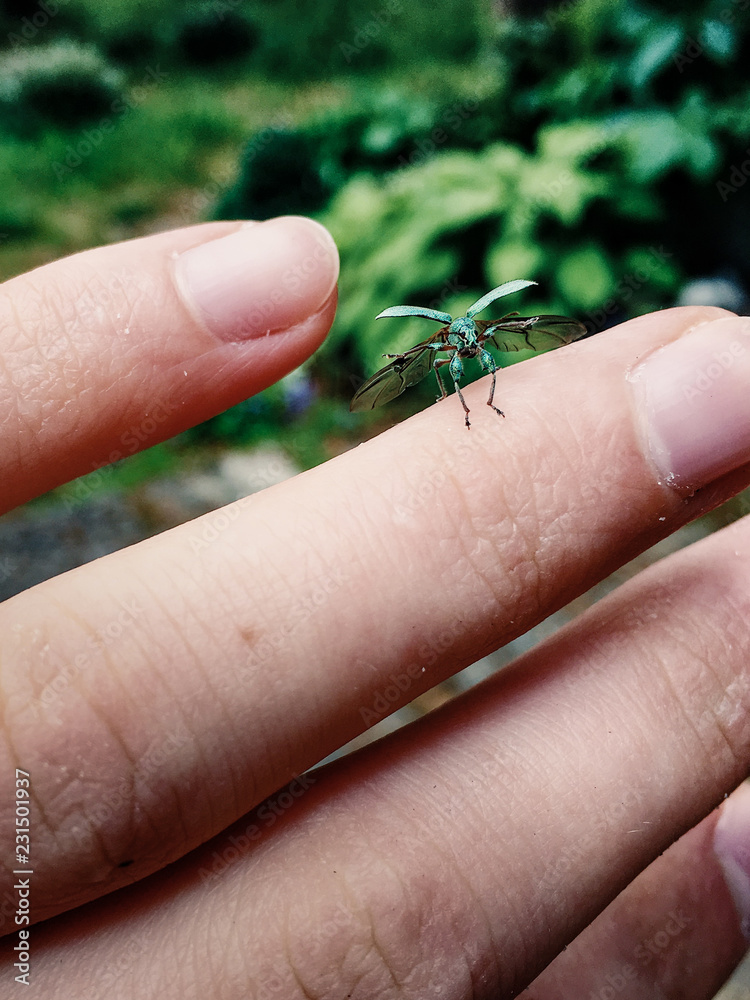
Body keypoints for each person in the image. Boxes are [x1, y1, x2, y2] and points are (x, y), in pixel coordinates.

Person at [0, 215, 748, 999]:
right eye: (461, 348)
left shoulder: (490, 335)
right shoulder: (439, 350)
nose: (469, 351)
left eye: (472, 345)